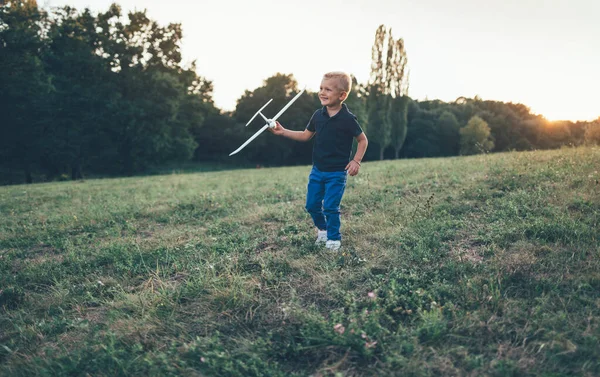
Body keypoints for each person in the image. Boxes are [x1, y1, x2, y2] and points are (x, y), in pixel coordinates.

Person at [269, 72, 368, 251]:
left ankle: (333, 238)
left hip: (337, 172)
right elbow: (305, 135)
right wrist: (283, 131)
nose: (322, 92)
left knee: (330, 205)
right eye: (321, 88)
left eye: (328, 89)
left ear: (342, 95)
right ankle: (322, 230)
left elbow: (363, 140)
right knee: (312, 205)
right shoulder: (318, 115)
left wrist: (356, 161)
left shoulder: (347, 119)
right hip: (318, 170)